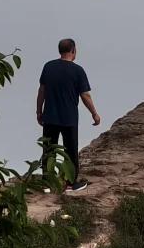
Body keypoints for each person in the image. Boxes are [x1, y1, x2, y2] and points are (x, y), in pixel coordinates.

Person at [37, 39, 101, 192]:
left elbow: (41, 91)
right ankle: (71, 183)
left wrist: (39, 111)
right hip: (69, 118)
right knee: (70, 151)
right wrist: (94, 114)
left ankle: (46, 183)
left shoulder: (49, 67)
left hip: (50, 116)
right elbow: (85, 95)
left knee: (49, 149)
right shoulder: (78, 71)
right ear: (74, 50)